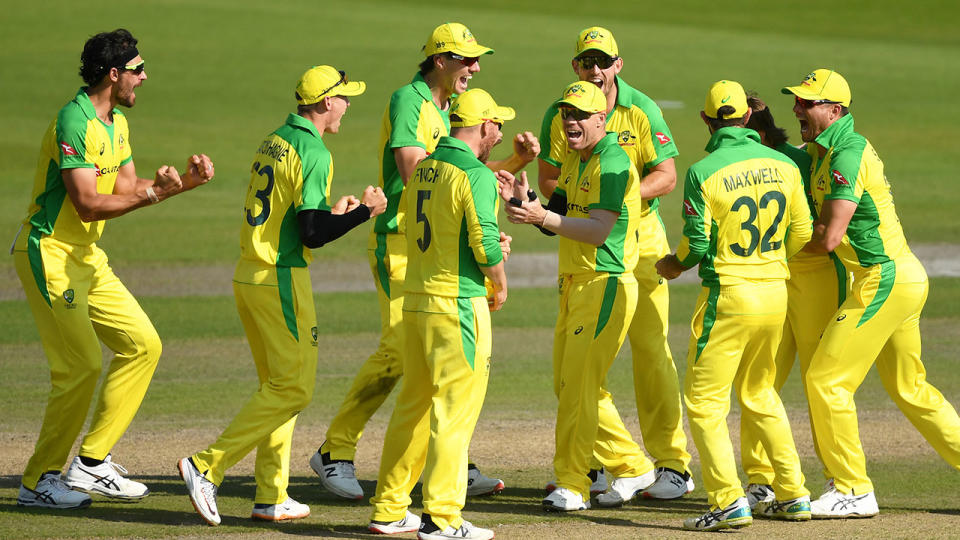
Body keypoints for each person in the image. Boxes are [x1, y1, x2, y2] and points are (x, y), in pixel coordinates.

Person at [312, 21, 538, 500]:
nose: (474, 68)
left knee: (438, 355)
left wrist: (513, 165)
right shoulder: (409, 100)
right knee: (404, 352)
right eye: (466, 59)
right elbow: (419, 171)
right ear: (440, 60)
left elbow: (460, 173)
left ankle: (450, 460)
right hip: (400, 240)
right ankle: (335, 450)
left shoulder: (448, 108)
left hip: (430, 244)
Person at [13, 28, 214, 510]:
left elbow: (126, 184)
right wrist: (152, 194)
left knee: (143, 345)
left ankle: (92, 462)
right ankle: (38, 480)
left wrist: (181, 183)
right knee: (80, 367)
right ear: (114, 73)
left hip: (86, 258)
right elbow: (86, 203)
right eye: (138, 69)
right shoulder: (74, 120)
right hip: (49, 253)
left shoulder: (116, 123)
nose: (144, 78)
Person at [177, 65, 386, 526]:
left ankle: (271, 494)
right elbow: (311, 235)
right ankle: (206, 465)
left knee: (276, 387)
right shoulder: (315, 150)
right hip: (281, 279)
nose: (349, 105)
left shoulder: (275, 139)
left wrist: (334, 214)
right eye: (345, 98)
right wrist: (363, 213)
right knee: (294, 387)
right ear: (327, 102)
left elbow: (298, 217)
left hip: (249, 275)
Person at [783, 68, 960, 518]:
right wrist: (764, 128)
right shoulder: (824, 151)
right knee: (910, 388)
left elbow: (826, 238)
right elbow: (793, 159)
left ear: (835, 110)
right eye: (797, 101)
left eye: (807, 103)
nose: (798, 108)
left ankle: (853, 489)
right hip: (901, 278)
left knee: (825, 380)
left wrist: (769, 256)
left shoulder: (847, 154)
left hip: (883, 281)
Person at [537, 26, 692, 500]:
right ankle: (604, 464)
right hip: (588, 245)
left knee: (651, 354)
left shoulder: (641, 109)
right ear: (576, 67)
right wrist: (584, 201)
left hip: (641, 245)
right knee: (581, 370)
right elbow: (550, 180)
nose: (595, 69)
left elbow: (665, 176)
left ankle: (672, 465)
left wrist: (616, 195)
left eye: (603, 61)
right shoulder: (563, 114)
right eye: (586, 61)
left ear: (618, 65)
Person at [655, 80, 813, 531]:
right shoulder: (784, 164)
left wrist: (672, 265)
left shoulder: (704, 170)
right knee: (761, 393)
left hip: (728, 295)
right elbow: (801, 232)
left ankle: (727, 502)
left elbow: (696, 244)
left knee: (705, 403)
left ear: (706, 120)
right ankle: (794, 494)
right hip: (774, 292)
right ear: (747, 118)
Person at [503, 82, 653, 512]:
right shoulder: (575, 159)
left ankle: (572, 483)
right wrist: (524, 199)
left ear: (601, 119)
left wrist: (541, 214)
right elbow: (563, 217)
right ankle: (632, 465)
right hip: (575, 283)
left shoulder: (612, 161)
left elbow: (599, 230)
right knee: (569, 385)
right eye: (567, 113)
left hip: (604, 282)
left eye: (581, 114)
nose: (571, 121)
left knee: (579, 389)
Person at [367, 88, 510, 540]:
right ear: (484, 126)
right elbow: (485, 246)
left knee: (412, 407)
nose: (500, 134)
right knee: (454, 413)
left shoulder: (425, 167)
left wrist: (480, 252)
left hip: (416, 302)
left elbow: (420, 228)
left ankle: (390, 508)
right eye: (498, 126)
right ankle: (442, 517)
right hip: (458, 307)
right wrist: (500, 282)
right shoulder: (476, 174)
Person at [738, 94, 848, 510]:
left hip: (816, 280)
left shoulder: (799, 162)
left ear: (759, 131)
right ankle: (761, 479)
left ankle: (841, 482)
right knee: (757, 381)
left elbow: (827, 227)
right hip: (770, 284)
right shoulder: (737, 164)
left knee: (819, 383)